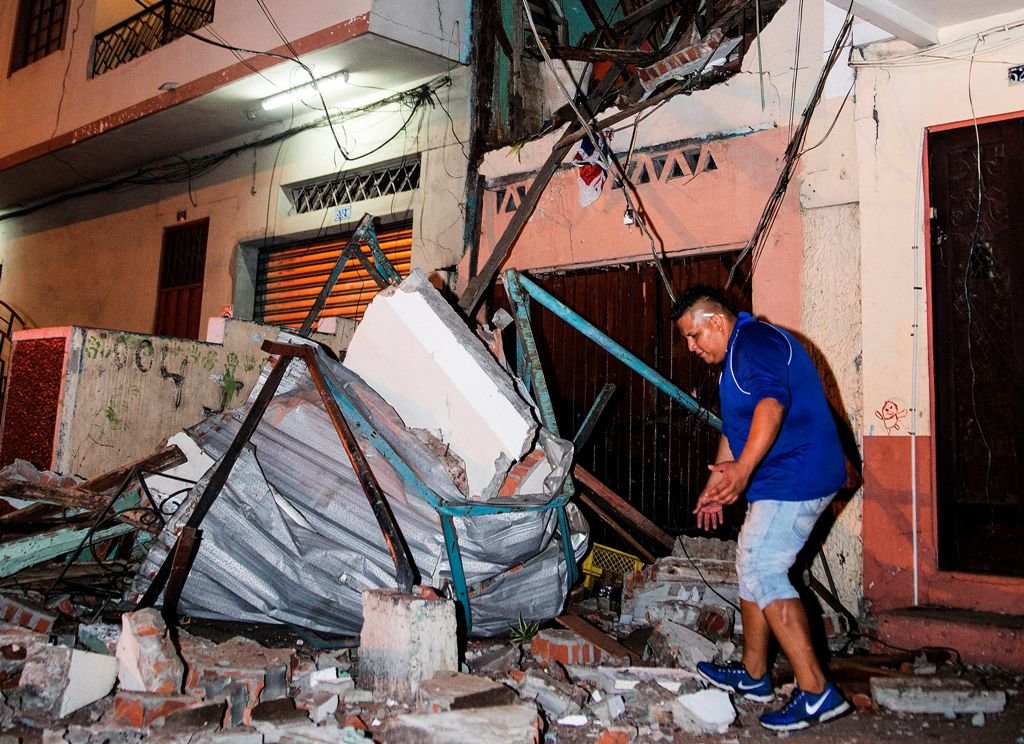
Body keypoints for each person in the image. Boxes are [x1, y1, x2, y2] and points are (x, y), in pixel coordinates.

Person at [671, 285, 851, 732]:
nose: (691, 347)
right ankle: (755, 677)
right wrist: (717, 483)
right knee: (750, 563)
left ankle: (816, 692)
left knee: (764, 568)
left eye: (693, 336)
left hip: (798, 474)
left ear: (715, 321)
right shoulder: (737, 357)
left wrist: (744, 471)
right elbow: (738, 429)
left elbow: (771, 407)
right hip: (783, 477)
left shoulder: (753, 343)